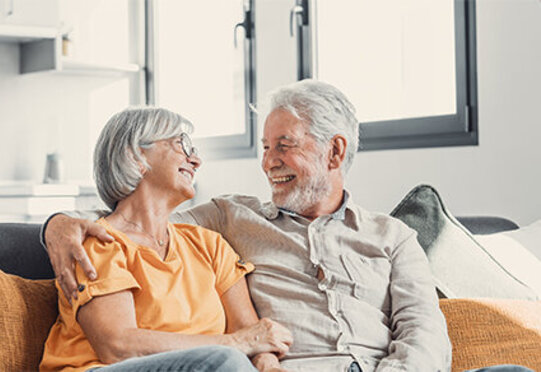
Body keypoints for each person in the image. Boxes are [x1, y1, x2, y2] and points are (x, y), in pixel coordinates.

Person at [42, 80, 452, 371]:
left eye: (284, 146)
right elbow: (130, 228)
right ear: (137, 156)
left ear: (335, 151)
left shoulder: (393, 237)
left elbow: (424, 334)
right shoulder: (230, 219)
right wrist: (56, 223)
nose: (268, 161)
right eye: (265, 147)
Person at [39, 107, 293, 372]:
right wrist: (234, 344)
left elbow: (253, 337)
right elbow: (117, 345)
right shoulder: (101, 243)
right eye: (181, 144)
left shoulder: (210, 246)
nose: (195, 161)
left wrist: (268, 365)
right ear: (136, 156)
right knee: (225, 360)